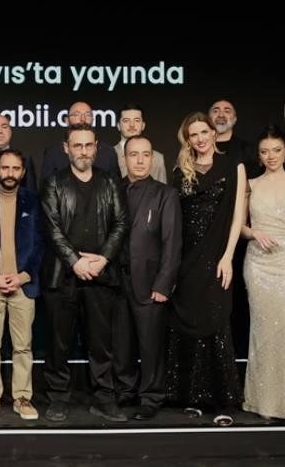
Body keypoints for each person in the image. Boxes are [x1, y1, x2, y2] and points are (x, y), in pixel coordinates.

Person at [40, 123, 129, 423]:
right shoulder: (53, 183)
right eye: (77, 146)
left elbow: (121, 223)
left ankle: (104, 399)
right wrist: (74, 261)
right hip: (63, 275)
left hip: (100, 275)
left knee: (101, 343)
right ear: (66, 148)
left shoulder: (110, 181)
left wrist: (103, 259)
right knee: (58, 343)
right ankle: (58, 398)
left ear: (96, 147)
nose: (83, 151)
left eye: (88, 145)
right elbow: (51, 228)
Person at [166, 112, 246, 427]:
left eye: (204, 132)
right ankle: (194, 397)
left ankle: (222, 401)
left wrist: (227, 256)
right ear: (188, 140)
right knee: (188, 324)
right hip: (187, 260)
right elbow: (175, 222)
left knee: (216, 324)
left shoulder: (233, 165)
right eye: (193, 134)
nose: (200, 138)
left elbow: (237, 216)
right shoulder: (179, 171)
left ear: (213, 133)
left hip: (217, 257)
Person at [241, 125, 285, 425]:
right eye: (264, 151)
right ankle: (262, 403)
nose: (270, 156)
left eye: (276, 150)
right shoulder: (250, 185)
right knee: (261, 334)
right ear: (259, 156)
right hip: (257, 265)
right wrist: (253, 232)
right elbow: (238, 226)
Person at [113, 135, 181, 421]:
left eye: (145, 155)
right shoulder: (113, 189)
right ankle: (125, 391)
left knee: (151, 343)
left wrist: (164, 283)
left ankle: (151, 396)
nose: (140, 160)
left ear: (152, 158)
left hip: (150, 281)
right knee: (122, 342)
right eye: (133, 155)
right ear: (124, 158)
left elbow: (172, 243)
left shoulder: (166, 194)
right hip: (116, 280)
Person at [0, 149, 43, 420]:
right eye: (5, 168)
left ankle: (22, 398)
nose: (10, 173)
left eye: (15, 169)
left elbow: (40, 244)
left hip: (22, 284)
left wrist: (23, 276)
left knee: (23, 345)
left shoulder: (34, 201)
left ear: (23, 172)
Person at [40, 101, 121, 182]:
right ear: (67, 120)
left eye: (87, 115)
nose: (83, 119)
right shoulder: (53, 153)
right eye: (76, 114)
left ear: (93, 119)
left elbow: (115, 185)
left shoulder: (108, 152)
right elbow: (46, 186)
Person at [113, 104, 167, 183]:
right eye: (126, 121)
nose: (132, 125)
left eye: (137, 120)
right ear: (118, 126)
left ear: (143, 125)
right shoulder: (108, 156)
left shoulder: (158, 158)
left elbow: (163, 188)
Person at [209, 99, 258, 178]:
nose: (221, 115)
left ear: (234, 119)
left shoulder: (249, 150)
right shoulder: (196, 149)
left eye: (227, 111)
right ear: (208, 119)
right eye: (215, 111)